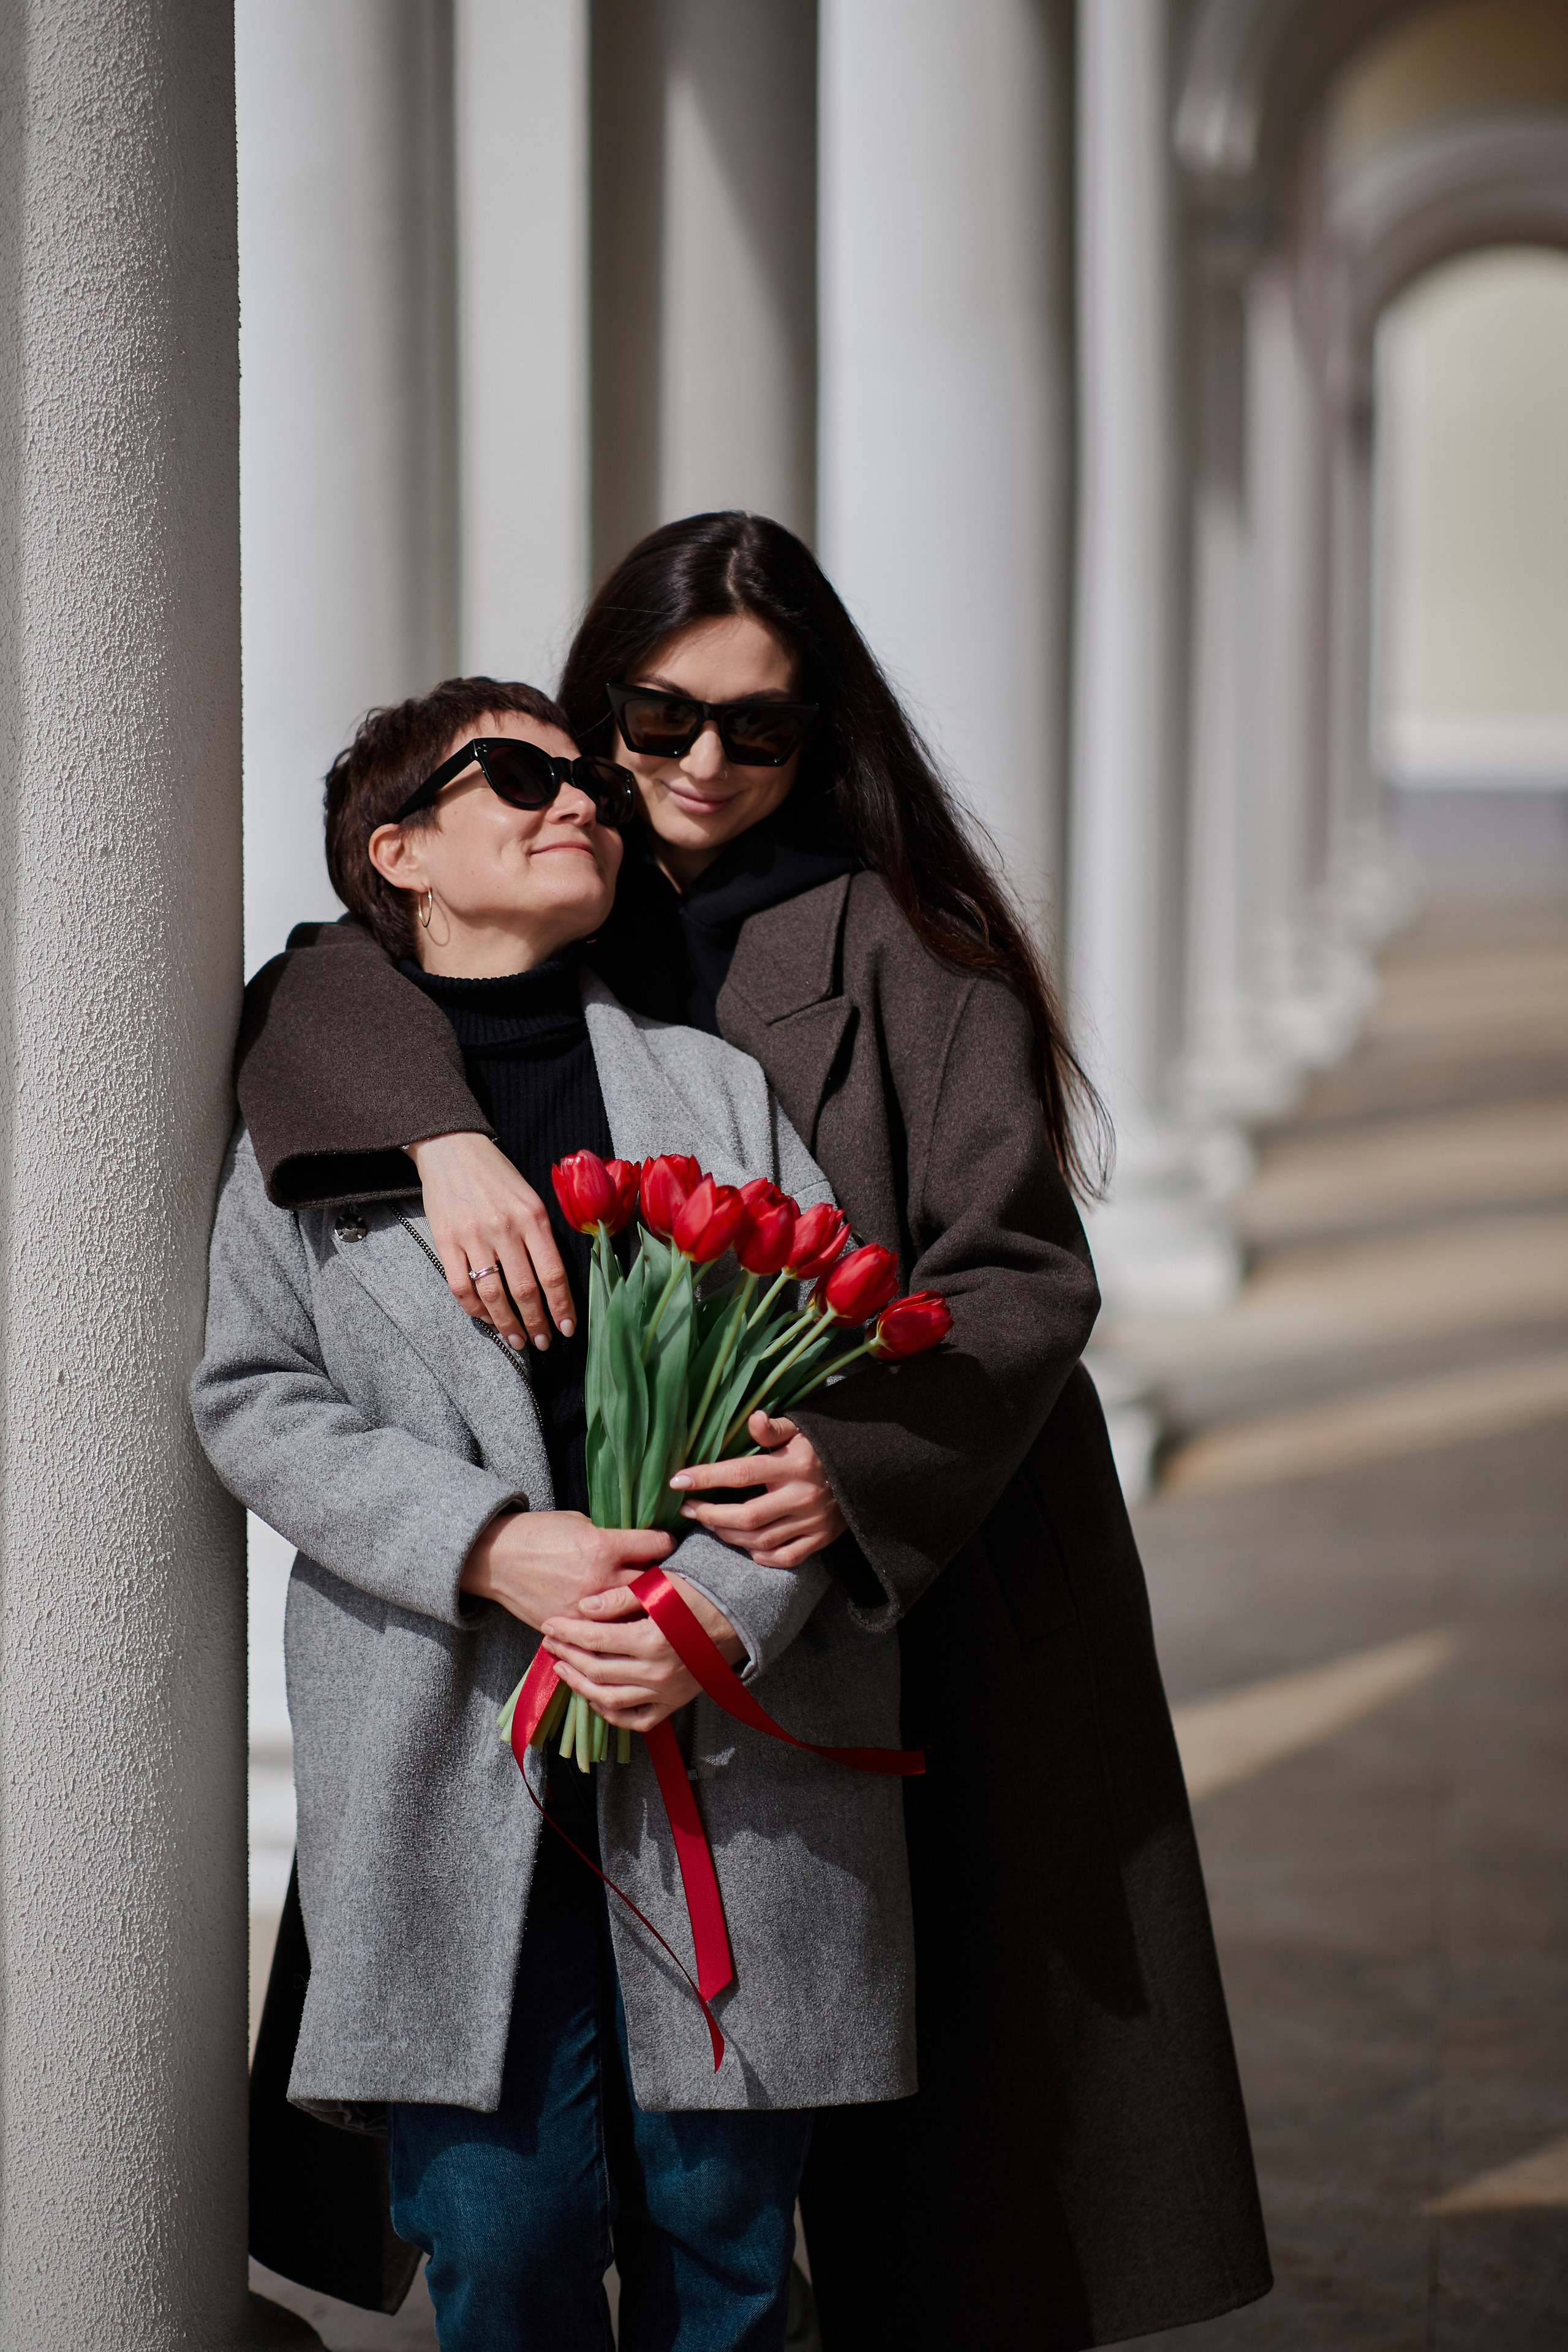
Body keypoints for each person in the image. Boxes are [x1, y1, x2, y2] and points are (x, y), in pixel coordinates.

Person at [236, 515, 1273, 2348]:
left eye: (762, 731)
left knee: (835, 2167)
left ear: (824, 741)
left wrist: (838, 1477)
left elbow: (1021, 1278)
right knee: (525, 2184)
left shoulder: (910, 950)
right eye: (653, 716)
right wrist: (437, 1130)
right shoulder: (552, 871)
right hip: (538, 1637)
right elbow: (329, 971)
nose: (700, 764)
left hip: (887, 1566)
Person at [195, 676, 916, 2352]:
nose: (583, 795)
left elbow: (823, 1374)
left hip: (726, 1740)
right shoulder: (311, 1128)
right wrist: (488, 1541)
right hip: (454, 1750)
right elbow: (252, 1396)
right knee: (501, 2236)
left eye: (593, 777)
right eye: (519, 774)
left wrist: (717, 1610)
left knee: (724, 2241)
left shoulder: (713, 1093)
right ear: (403, 853)